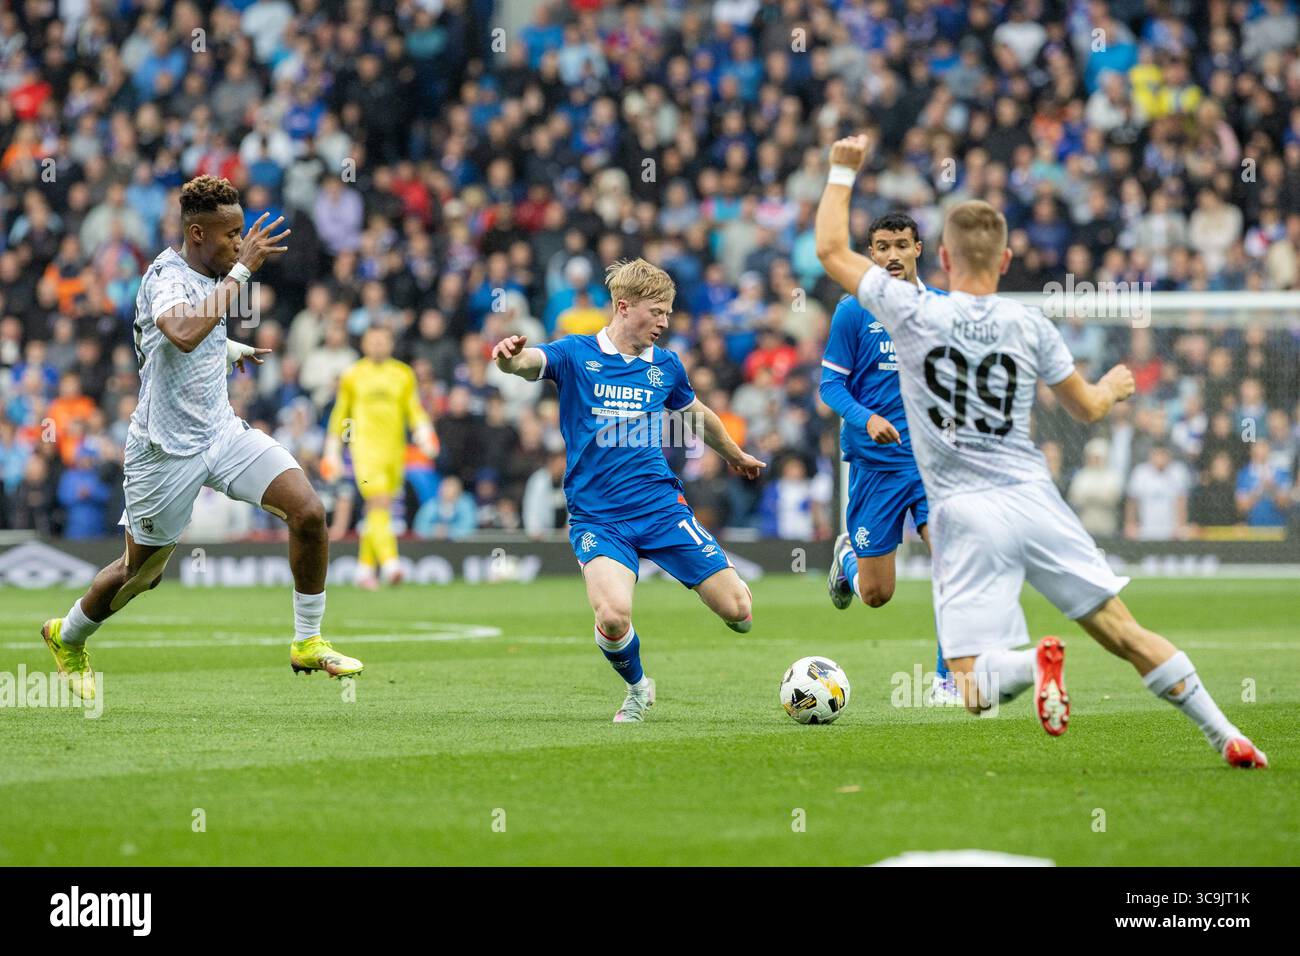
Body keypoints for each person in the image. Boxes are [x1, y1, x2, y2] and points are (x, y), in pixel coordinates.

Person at [815, 135, 1265, 769]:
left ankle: (1034, 662)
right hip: (1035, 498)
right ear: (1004, 262)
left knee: (972, 685)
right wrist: (1111, 388)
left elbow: (830, 248)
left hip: (965, 510)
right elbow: (1085, 408)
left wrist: (843, 168)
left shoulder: (913, 312)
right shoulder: (1030, 324)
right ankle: (1226, 733)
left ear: (939, 256)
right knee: (1124, 632)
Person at [41, 175, 365, 700]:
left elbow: (200, 334)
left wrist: (233, 349)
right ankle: (68, 634)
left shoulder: (210, 276)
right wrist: (242, 271)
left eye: (241, 234)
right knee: (139, 574)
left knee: (308, 511)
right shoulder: (165, 278)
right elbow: (184, 334)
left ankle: (308, 640)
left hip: (221, 432)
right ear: (197, 233)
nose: (239, 244)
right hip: (164, 451)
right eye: (230, 234)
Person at [490, 258, 765, 722]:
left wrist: (734, 454)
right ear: (623, 306)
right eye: (656, 312)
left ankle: (718, 584)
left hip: (661, 509)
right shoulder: (576, 354)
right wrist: (510, 357)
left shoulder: (666, 366)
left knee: (739, 612)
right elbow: (527, 362)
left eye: (668, 313)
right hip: (599, 518)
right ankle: (638, 687)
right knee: (614, 615)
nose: (664, 322)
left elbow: (696, 414)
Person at [819, 210, 958, 705]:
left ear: (919, 248)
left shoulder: (941, 308)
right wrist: (866, 419)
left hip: (932, 467)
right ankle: (848, 558)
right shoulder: (854, 311)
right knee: (877, 595)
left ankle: (946, 680)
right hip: (876, 466)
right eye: (882, 246)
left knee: (952, 562)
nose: (893, 254)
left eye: (902, 244)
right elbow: (830, 385)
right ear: (870, 254)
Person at [323, 323, 437, 589]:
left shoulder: (403, 374)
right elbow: (341, 413)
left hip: (394, 452)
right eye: (372, 341)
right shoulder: (353, 375)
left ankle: (363, 570)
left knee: (377, 510)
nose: (377, 346)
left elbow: (414, 408)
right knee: (379, 502)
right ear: (364, 344)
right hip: (364, 449)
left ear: (390, 344)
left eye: (382, 341)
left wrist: (424, 431)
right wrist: (332, 451)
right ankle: (391, 563)